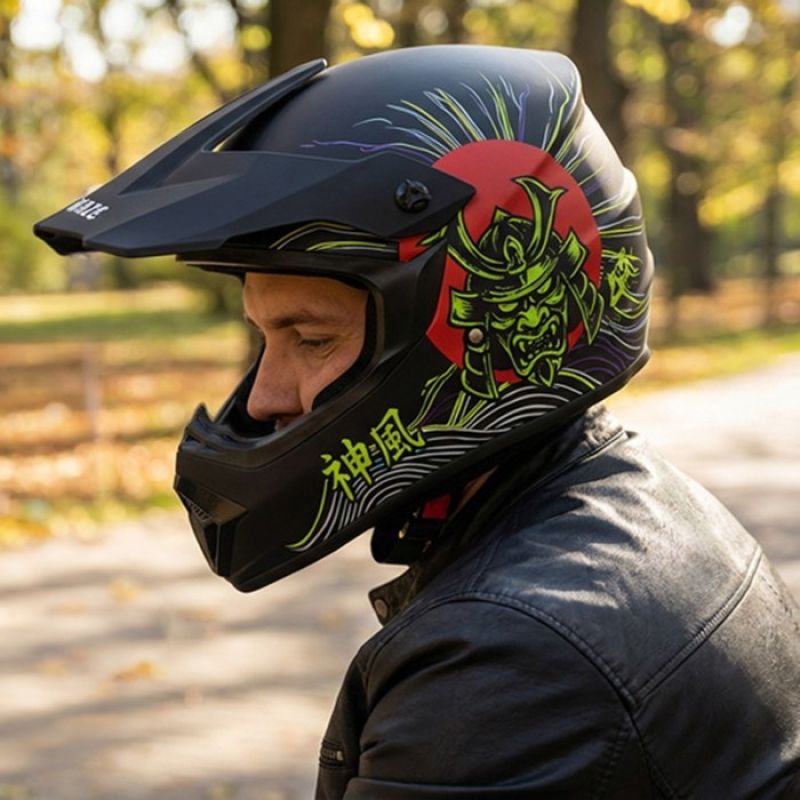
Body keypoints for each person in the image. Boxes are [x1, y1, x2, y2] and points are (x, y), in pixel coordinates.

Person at [35, 46, 800, 798]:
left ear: (483, 324)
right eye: (265, 337)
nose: (264, 397)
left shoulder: (507, 666)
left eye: (311, 339)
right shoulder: (642, 504)